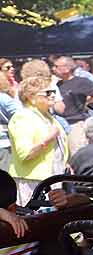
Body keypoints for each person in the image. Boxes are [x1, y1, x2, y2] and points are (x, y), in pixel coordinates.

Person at [7, 77, 67, 207]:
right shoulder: (23, 117)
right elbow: (25, 153)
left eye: (53, 92)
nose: (52, 96)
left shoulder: (48, 117)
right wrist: (48, 138)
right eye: (47, 93)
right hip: (32, 182)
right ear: (31, 97)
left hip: (52, 179)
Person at [52, 55, 93, 155]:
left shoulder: (80, 81)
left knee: (77, 154)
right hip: (61, 124)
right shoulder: (57, 84)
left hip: (75, 124)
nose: (53, 69)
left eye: (56, 66)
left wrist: (87, 103)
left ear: (67, 68)